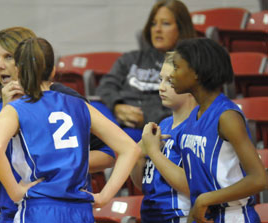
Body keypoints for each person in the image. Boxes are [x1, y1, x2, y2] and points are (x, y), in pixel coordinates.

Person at [0, 26, 115, 223]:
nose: (0, 65)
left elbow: (109, 153)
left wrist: (57, 165)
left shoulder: (66, 99)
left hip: (56, 205)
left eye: (8, 57)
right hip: (10, 211)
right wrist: (6, 108)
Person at [142, 38, 268, 223]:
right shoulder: (193, 116)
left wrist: (205, 199)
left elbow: (259, 179)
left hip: (233, 215)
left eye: (177, 68)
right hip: (205, 215)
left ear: (196, 74)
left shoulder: (227, 116)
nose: (173, 76)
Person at [95, 0, 196, 141]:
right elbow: (105, 87)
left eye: (165, 23)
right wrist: (117, 106)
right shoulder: (130, 59)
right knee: (92, 108)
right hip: (117, 120)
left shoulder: (189, 65)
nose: (157, 29)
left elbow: (188, 109)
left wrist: (146, 118)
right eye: (154, 23)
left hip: (151, 129)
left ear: (181, 28)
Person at [130, 52, 193, 223]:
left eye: (170, 81)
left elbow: (193, 185)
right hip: (151, 216)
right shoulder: (163, 124)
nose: (161, 87)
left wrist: (153, 152)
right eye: (161, 79)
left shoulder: (197, 127)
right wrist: (139, 155)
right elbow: (143, 185)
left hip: (181, 217)